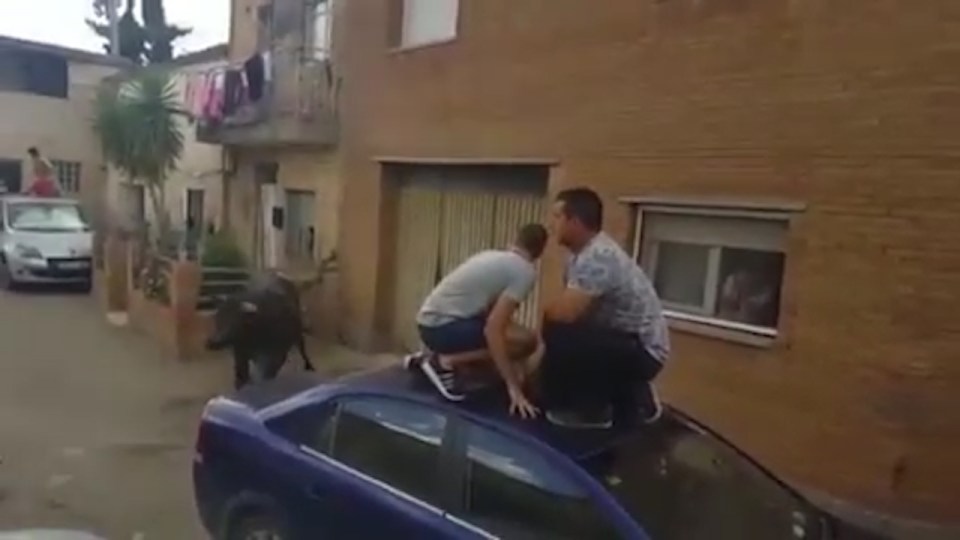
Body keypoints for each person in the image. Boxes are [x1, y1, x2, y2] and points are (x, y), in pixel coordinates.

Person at [541, 187, 670, 429]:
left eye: (557, 217)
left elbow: (564, 314)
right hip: (620, 341)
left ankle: (594, 412)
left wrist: (548, 315)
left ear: (576, 221)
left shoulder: (598, 257)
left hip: (643, 351)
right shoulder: (577, 256)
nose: (551, 224)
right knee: (562, 335)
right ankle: (631, 394)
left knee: (558, 330)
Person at [407, 223, 548, 418]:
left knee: (519, 338)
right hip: (443, 329)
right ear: (540, 252)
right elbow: (493, 329)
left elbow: (490, 316)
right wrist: (513, 387)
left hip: (429, 325)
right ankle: (443, 362)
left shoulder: (492, 257)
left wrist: (512, 362)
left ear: (514, 240)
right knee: (527, 342)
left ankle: (433, 355)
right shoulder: (524, 271)